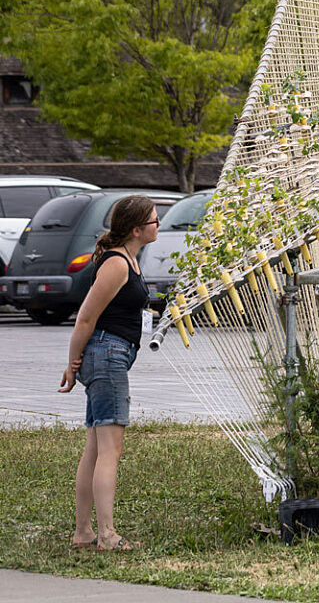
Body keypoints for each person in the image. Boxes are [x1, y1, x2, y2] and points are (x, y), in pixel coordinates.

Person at [57, 194, 159, 552]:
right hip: (107, 354)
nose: (159, 225)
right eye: (154, 220)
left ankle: (84, 533)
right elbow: (86, 317)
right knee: (110, 451)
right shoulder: (116, 264)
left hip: (109, 354)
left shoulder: (129, 259)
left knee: (95, 448)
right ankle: (106, 535)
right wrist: (72, 363)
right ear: (136, 229)